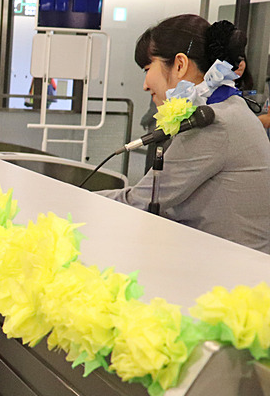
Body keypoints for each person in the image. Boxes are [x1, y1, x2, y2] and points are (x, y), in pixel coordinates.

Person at [98, 14, 270, 254]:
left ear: (179, 64)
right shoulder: (229, 110)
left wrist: (73, 198)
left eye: (148, 68)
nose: (145, 85)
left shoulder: (214, 124)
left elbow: (142, 201)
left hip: (231, 276)